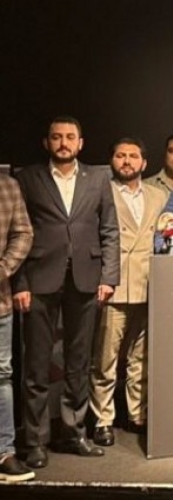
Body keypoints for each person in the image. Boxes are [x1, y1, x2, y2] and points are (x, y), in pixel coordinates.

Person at [13, 116, 120, 467]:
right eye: (56, 137)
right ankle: (36, 441)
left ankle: (74, 433)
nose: (63, 143)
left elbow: (110, 229)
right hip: (39, 281)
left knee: (78, 363)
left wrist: (109, 277)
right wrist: (20, 283)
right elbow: (17, 231)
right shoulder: (28, 178)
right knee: (36, 367)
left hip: (86, 280)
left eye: (70, 137)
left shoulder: (98, 178)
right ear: (47, 142)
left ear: (80, 143)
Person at [90, 138, 168, 447]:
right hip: (115, 284)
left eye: (133, 156)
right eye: (120, 155)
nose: (126, 161)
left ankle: (139, 413)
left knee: (142, 355)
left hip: (150, 284)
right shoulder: (101, 192)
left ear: (144, 163)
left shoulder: (159, 195)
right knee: (105, 359)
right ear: (112, 161)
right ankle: (102, 419)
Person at [0, 172, 34, 482]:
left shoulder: (7, 186)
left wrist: (3, 269)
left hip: (0, 301)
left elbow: (23, 233)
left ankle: (4, 452)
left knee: (2, 376)